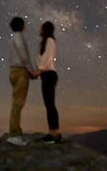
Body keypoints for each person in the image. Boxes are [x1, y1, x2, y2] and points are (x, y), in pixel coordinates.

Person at [7, 16, 40, 146]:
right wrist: (31, 71)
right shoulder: (19, 37)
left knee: (16, 102)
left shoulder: (11, 39)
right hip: (21, 71)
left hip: (13, 71)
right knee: (18, 104)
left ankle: (17, 133)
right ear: (21, 26)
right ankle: (14, 135)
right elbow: (23, 54)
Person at [37, 21, 64, 143]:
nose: (39, 29)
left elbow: (47, 58)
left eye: (41, 28)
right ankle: (54, 133)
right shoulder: (45, 42)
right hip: (45, 75)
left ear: (46, 29)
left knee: (50, 105)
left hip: (49, 74)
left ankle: (55, 134)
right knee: (49, 105)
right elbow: (41, 59)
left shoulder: (50, 41)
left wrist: (39, 70)